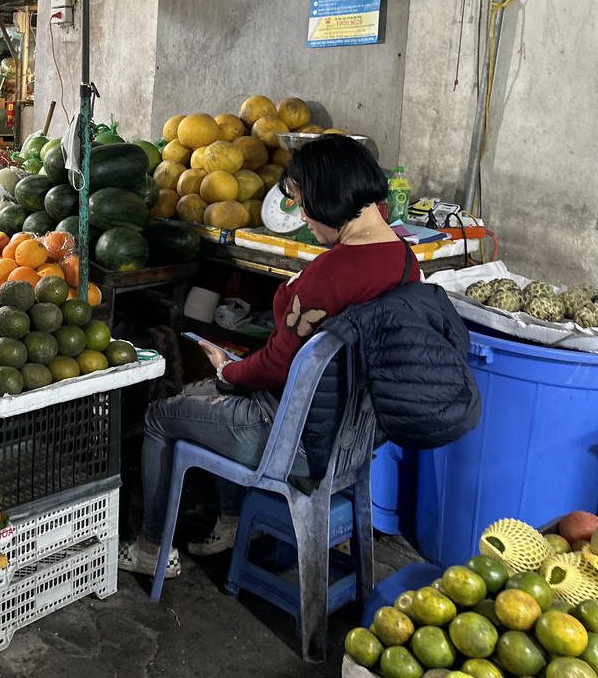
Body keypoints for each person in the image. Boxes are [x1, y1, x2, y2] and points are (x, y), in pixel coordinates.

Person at [118, 135, 419, 579]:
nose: (302, 215)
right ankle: (234, 519)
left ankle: (150, 547)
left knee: (163, 416)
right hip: (354, 439)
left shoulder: (331, 274)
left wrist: (229, 370)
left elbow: (278, 365)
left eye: (302, 202)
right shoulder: (403, 258)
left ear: (328, 196)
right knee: (210, 392)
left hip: (294, 441)